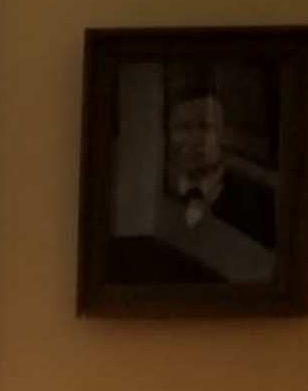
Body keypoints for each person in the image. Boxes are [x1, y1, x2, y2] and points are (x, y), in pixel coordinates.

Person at [104, 65, 279, 289]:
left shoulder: (261, 203)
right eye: (183, 128)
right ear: (167, 136)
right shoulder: (147, 199)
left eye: (205, 127)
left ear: (222, 134)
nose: (195, 139)